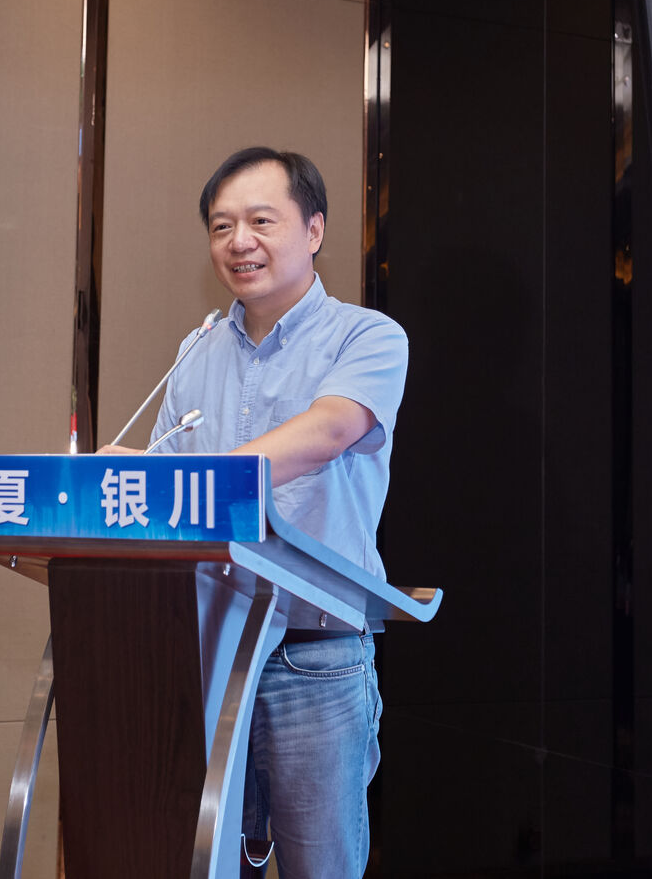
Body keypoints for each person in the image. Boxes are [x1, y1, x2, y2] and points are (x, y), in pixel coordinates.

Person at [102, 146, 408, 877]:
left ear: (314, 229)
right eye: (221, 226)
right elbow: (166, 489)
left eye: (261, 221)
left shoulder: (367, 335)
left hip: (315, 654)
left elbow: (330, 430)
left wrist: (204, 480)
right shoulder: (198, 349)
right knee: (203, 862)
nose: (239, 241)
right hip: (206, 654)